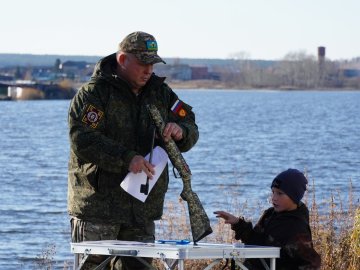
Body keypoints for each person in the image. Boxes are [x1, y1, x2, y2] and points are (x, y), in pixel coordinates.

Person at [67, 31, 199, 270]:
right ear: (122, 60)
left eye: (152, 64)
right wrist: (126, 159)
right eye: (143, 63)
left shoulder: (161, 93)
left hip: (142, 210)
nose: (149, 70)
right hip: (99, 207)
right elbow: (83, 139)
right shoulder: (94, 94)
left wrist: (181, 131)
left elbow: (190, 124)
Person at [214, 168, 321, 270]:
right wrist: (238, 223)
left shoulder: (296, 227)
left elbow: (311, 263)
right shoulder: (270, 214)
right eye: (273, 192)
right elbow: (255, 242)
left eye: (280, 193)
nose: (274, 197)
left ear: (294, 197)